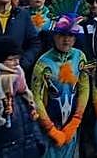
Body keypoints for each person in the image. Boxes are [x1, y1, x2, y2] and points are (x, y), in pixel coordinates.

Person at [30, 11, 89, 158]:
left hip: (71, 125)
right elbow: (36, 98)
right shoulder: (43, 63)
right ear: (54, 36)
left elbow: (84, 88)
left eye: (71, 35)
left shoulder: (80, 57)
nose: (66, 39)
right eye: (62, 35)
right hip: (49, 128)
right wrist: (50, 128)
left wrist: (76, 120)